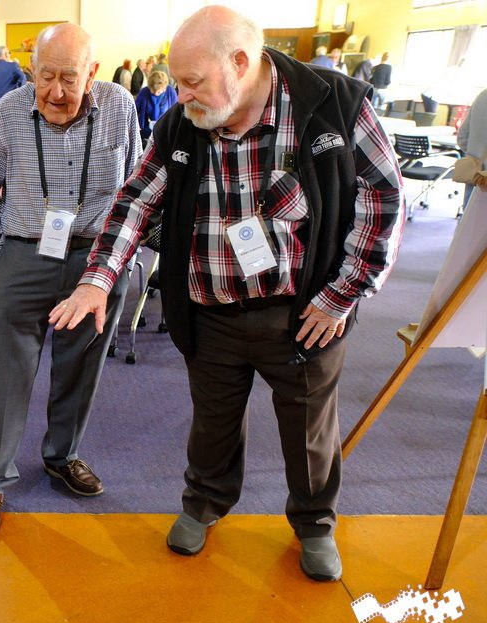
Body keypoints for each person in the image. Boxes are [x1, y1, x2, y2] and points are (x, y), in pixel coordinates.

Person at [50, 5, 403, 582]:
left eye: (192, 82)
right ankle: (204, 503)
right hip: (211, 311)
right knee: (213, 422)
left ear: (240, 63)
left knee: (310, 426)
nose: (181, 96)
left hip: (305, 313)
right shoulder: (183, 123)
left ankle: (315, 522)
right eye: (179, 82)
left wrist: (343, 294)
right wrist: (98, 279)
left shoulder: (333, 104)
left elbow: (382, 199)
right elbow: (136, 201)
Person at [0, 22, 141, 533]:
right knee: (8, 375)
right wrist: (0, 256)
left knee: (81, 368)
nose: (56, 92)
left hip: (95, 263)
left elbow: (134, 192)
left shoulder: (120, 107)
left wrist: (117, 262)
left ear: (93, 73)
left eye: (69, 78)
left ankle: (62, 456)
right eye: (45, 76)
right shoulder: (8, 112)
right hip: (22, 256)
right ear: (30, 70)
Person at [457, 88, 487, 208]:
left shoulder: (483, 95)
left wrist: (477, 155)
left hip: (474, 171)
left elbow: (462, 138)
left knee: (469, 219)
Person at [134, 69, 177, 145]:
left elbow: (176, 112)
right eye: (153, 91)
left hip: (165, 130)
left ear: (165, 88)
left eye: (159, 91)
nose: (156, 94)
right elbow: (134, 110)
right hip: (147, 131)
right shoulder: (144, 92)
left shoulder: (170, 92)